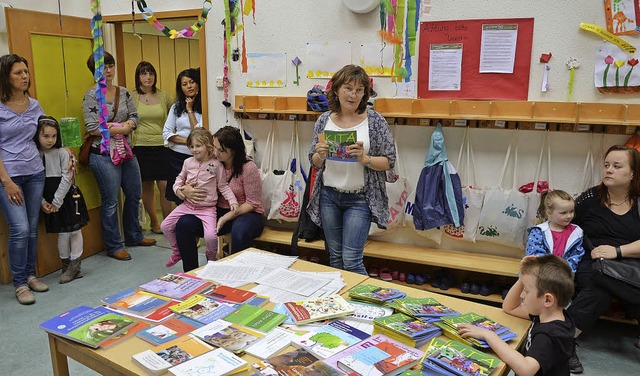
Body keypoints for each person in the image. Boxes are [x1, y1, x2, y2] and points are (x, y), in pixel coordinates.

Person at [307, 64, 397, 275]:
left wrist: (365, 158)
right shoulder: (323, 120)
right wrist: (320, 155)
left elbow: (389, 161)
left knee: (352, 260)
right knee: (335, 257)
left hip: (360, 199)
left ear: (365, 93)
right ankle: (340, 304)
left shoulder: (375, 121)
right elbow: (314, 161)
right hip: (329, 196)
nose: (353, 95)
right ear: (336, 90)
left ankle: (365, 305)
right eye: (348, 88)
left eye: (359, 90)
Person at [567, 144, 640, 373]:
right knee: (602, 284)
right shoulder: (589, 198)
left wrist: (617, 252)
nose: (608, 170)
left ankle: (560, 336)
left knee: (613, 283)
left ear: (633, 174)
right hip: (592, 261)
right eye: (606, 165)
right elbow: (565, 226)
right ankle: (565, 341)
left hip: (631, 262)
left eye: (617, 166)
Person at [82, 52, 156, 262]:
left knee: (134, 194)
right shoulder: (91, 95)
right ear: (94, 71)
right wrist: (120, 129)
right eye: (103, 67)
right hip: (103, 154)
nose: (108, 70)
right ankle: (114, 245)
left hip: (126, 151)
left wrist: (129, 125)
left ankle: (134, 235)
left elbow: (134, 116)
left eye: (111, 66)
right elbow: (92, 127)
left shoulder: (123, 92)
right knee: (110, 201)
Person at [458, 255, 575, 375]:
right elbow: (510, 307)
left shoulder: (550, 335)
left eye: (526, 290)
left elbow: (526, 370)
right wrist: (524, 276)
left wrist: (488, 335)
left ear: (547, 300)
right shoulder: (547, 313)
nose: (522, 295)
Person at [174, 126, 265, 272]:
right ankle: (191, 273)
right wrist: (186, 189)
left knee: (239, 231)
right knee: (184, 224)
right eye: (214, 148)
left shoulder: (248, 168)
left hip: (246, 212)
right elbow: (191, 180)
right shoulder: (213, 163)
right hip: (216, 210)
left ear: (233, 150)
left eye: (220, 150)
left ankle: (238, 274)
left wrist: (226, 218)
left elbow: (253, 203)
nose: (215, 153)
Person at [0, 54, 48, 304]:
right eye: (18, 73)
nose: (24, 76)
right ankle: (19, 283)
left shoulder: (34, 105)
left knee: (31, 228)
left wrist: (65, 154)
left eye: (26, 72)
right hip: (8, 176)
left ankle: (30, 275)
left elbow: (45, 135)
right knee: (19, 229)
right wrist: (7, 181)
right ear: (6, 76)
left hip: (34, 172)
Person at [160, 128, 238, 267]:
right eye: (191, 146)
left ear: (208, 146)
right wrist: (178, 190)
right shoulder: (188, 162)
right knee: (165, 225)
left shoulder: (216, 165)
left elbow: (223, 186)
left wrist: (232, 201)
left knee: (211, 236)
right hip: (187, 206)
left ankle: (211, 258)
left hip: (207, 209)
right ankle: (177, 251)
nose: (194, 149)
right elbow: (179, 180)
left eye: (198, 146)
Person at [34, 116, 89, 284]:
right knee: (62, 233)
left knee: (74, 230)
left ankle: (74, 266)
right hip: (48, 198)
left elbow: (67, 178)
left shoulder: (63, 152)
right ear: (37, 136)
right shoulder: (35, 154)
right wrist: (44, 203)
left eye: (54, 136)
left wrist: (57, 202)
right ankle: (67, 266)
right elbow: (35, 182)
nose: (50, 140)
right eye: (46, 136)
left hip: (67, 196)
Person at [131, 61, 174, 234]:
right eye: (144, 74)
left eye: (151, 74)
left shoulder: (164, 96)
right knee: (146, 186)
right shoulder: (131, 96)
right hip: (140, 146)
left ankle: (168, 223)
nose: (148, 77)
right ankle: (154, 222)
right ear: (138, 77)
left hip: (162, 146)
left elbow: (174, 116)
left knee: (164, 186)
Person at [162, 68, 203, 205]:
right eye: (184, 84)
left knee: (196, 197)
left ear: (198, 83)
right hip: (176, 158)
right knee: (179, 198)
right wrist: (192, 143)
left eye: (192, 82)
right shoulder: (176, 107)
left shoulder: (206, 106)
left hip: (197, 159)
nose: (189, 86)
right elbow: (166, 133)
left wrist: (190, 109)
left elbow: (200, 133)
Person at [525, 189, 585, 273]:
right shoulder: (538, 231)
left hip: (563, 277)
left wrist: (565, 272)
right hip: (539, 275)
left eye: (571, 211)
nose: (569, 216)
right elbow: (534, 256)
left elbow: (576, 255)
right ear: (549, 212)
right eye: (563, 213)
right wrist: (549, 272)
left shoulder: (576, 233)